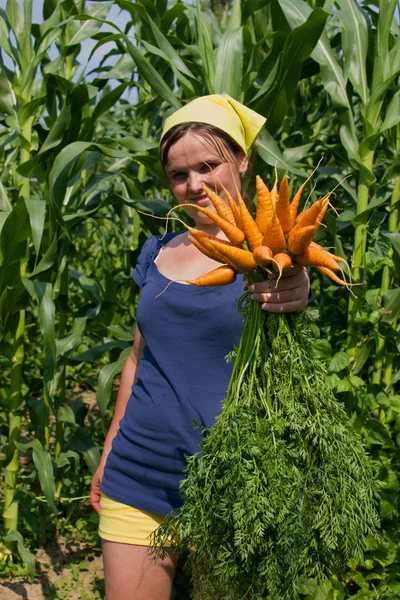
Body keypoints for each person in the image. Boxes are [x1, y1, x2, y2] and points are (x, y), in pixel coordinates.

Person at [90, 94, 310, 600]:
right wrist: (108, 452)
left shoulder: (274, 256)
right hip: (138, 472)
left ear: (241, 160)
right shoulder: (158, 251)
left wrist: (295, 285)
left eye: (208, 165)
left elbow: (294, 287)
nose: (195, 185)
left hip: (235, 480)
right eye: (179, 175)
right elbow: (137, 358)